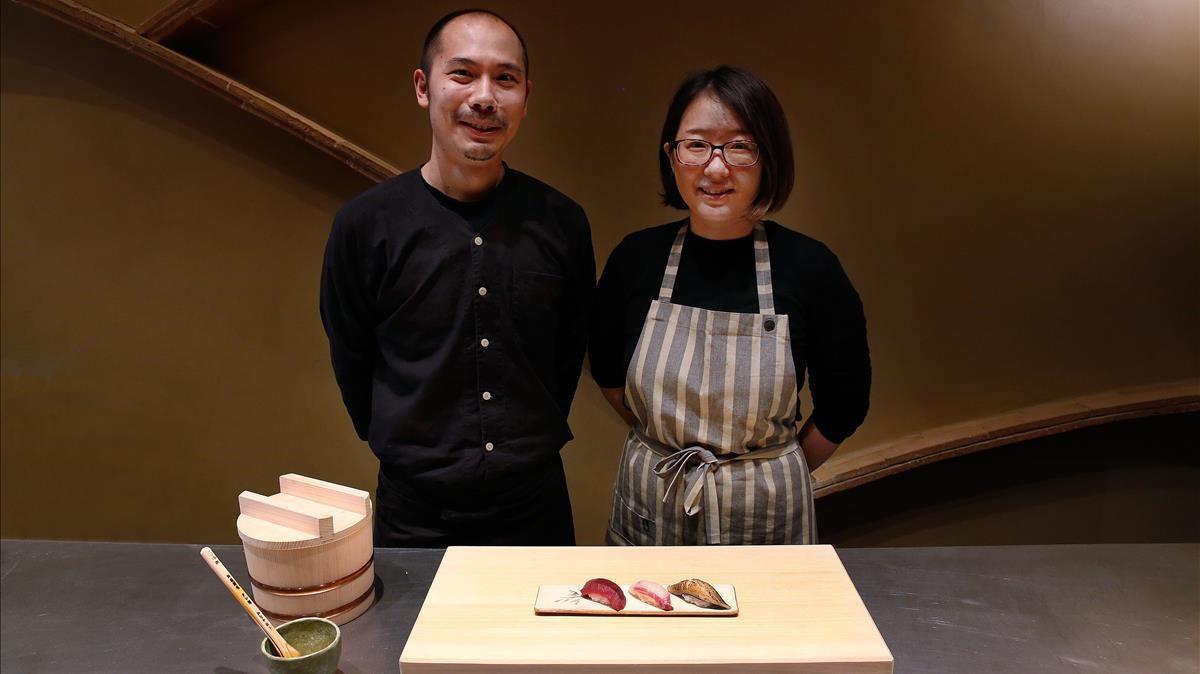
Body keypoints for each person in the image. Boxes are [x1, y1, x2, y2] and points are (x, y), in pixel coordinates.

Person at [321, 9, 594, 547]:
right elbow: (352, 357)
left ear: (525, 96)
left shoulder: (561, 221)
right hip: (413, 513)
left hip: (534, 508)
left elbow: (567, 356)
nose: (485, 97)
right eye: (463, 74)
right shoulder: (364, 225)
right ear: (424, 87)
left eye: (506, 78)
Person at [589, 66, 870, 546]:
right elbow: (607, 370)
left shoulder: (811, 268)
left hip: (766, 513)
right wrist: (664, 441)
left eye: (739, 146)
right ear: (671, 157)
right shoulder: (636, 258)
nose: (715, 168)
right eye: (696, 145)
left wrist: (770, 467)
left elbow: (845, 402)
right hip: (652, 499)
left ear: (768, 158)